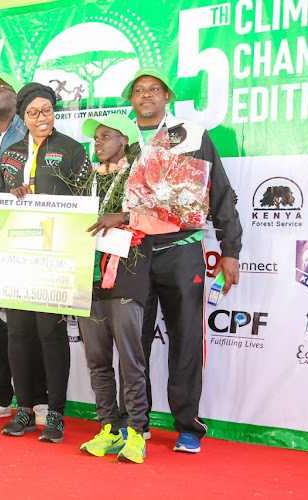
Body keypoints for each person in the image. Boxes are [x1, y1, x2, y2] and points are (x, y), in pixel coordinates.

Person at [122, 68, 242, 453]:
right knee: (133, 342)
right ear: (131, 100)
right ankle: (135, 423)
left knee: (187, 339)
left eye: (154, 90)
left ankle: (188, 426)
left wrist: (231, 250)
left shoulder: (191, 135)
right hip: (133, 253)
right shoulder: (117, 138)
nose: (146, 96)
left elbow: (220, 194)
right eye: (139, 91)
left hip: (182, 250)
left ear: (168, 96)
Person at [0, 82, 92, 443]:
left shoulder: (73, 150)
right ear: (22, 116)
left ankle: (56, 413)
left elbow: (87, 199)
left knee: (51, 333)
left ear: (55, 113)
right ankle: (25, 409)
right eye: (33, 113)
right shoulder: (11, 153)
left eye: (46, 111)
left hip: (56, 257)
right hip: (18, 256)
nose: (41, 118)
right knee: (17, 333)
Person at [76, 114, 178, 464]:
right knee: (97, 361)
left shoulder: (145, 177)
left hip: (127, 279)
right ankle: (109, 428)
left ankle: (136, 432)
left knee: (131, 361)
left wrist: (122, 217)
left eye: (105, 137)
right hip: (87, 280)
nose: (98, 143)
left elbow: (168, 218)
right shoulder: (89, 178)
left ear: (125, 139)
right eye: (95, 138)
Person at [0, 69, 49, 423]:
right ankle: (0, 396)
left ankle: (39, 400)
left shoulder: (32, 133)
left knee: (34, 325)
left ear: (16, 100)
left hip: (33, 242)